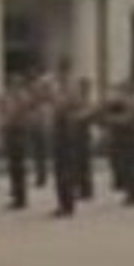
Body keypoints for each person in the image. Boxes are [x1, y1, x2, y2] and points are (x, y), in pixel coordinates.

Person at [101, 83, 134, 207]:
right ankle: (131, 193)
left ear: (128, 92)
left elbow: (126, 120)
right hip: (128, 141)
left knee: (132, 168)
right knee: (129, 167)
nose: (119, 95)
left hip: (132, 141)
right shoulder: (128, 103)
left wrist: (110, 119)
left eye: (121, 91)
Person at [1, 82, 31, 210]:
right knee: (14, 168)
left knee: (18, 168)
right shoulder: (14, 100)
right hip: (13, 134)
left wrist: (8, 119)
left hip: (18, 134)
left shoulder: (21, 101)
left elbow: (14, 117)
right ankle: (18, 197)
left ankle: (20, 199)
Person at [51, 82, 78, 218]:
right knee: (62, 175)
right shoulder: (66, 113)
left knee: (65, 175)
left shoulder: (67, 116)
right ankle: (65, 205)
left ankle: (67, 206)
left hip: (64, 144)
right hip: (62, 143)